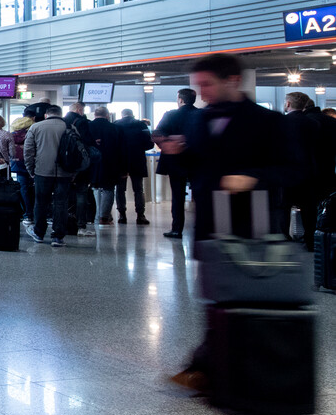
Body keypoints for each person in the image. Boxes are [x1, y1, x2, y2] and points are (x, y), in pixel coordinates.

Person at [162, 53, 301, 390]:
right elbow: (202, 166)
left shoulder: (268, 122)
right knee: (215, 295)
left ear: (233, 81)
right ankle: (215, 364)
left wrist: (252, 177)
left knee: (243, 295)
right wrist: (179, 154)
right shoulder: (199, 120)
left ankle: (220, 366)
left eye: (207, 84)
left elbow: (295, 169)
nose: (202, 92)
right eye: (198, 85)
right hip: (210, 221)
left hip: (250, 223)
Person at [281, 90, 336, 250]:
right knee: (312, 209)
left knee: (285, 207)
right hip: (320, 173)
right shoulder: (320, 124)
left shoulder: (288, 122)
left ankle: (285, 240)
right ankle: (313, 240)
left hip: (292, 173)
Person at [24, 105, 73, 247]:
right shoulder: (69, 127)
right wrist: (73, 172)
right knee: (61, 203)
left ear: (46, 115)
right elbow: (77, 151)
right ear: (60, 114)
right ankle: (58, 237)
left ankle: (39, 233)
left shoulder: (36, 127)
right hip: (65, 172)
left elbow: (28, 151)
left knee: (41, 202)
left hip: (42, 171)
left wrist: (30, 169)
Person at [152, 88, 198, 239]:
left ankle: (177, 229)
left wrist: (170, 141)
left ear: (180, 99)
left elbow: (157, 133)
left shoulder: (171, 115)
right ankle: (201, 227)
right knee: (200, 194)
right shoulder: (201, 114)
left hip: (175, 161)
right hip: (196, 161)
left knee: (177, 196)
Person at [113, 108, 153, 225]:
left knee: (120, 189)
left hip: (120, 162)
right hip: (137, 160)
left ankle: (122, 215)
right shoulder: (141, 124)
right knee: (138, 189)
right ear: (132, 115)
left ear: (122, 115)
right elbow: (150, 143)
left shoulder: (115, 125)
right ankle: (140, 215)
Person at [63, 103, 97, 235]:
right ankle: (81, 224)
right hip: (80, 164)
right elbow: (87, 142)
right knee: (81, 193)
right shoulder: (83, 122)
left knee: (64, 195)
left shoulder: (63, 122)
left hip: (65, 163)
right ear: (79, 110)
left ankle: (65, 222)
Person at [87, 106, 121, 226]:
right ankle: (104, 217)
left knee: (95, 188)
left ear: (95, 115)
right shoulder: (114, 127)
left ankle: (97, 215)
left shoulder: (88, 126)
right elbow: (120, 147)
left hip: (92, 163)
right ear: (107, 115)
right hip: (110, 162)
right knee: (108, 189)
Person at [10, 114, 36, 224]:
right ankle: (36, 213)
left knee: (23, 190)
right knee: (36, 190)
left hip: (17, 164)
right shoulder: (32, 134)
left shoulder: (11, 135)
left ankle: (27, 214)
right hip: (33, 164)